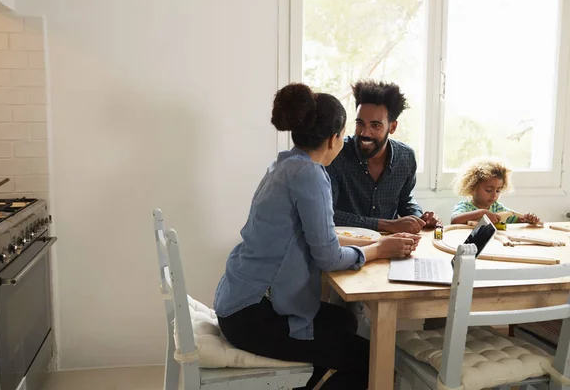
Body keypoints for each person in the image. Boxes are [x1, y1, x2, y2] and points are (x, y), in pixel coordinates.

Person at [213, 83, 421, 389]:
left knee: (344, 321)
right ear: (335, 138)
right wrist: (380, 250)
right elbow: (328, 257)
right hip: (253, 315)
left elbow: (320, 237)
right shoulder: (310, 175)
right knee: (372, 359)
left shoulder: (286, 164)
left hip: (239, 300)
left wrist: (377, 243)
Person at [327, 79, 441, 234]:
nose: (365, 133)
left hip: (392, 244)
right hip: (348, 245)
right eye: (360, 123)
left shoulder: (406, 157)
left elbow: (405, 200)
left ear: (392, 127)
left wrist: (419, 218)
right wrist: (387, 225)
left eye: (375, 125)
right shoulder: (336, 154)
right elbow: (328, 214)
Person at [451, 158, 540, 225]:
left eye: (498, 190)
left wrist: (527, 220)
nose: (494, 195)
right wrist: (483, 212)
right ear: (472, 187)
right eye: (488, 190)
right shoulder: (465, 207)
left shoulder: (497, 208)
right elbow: (455, 220)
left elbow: (516, 220)